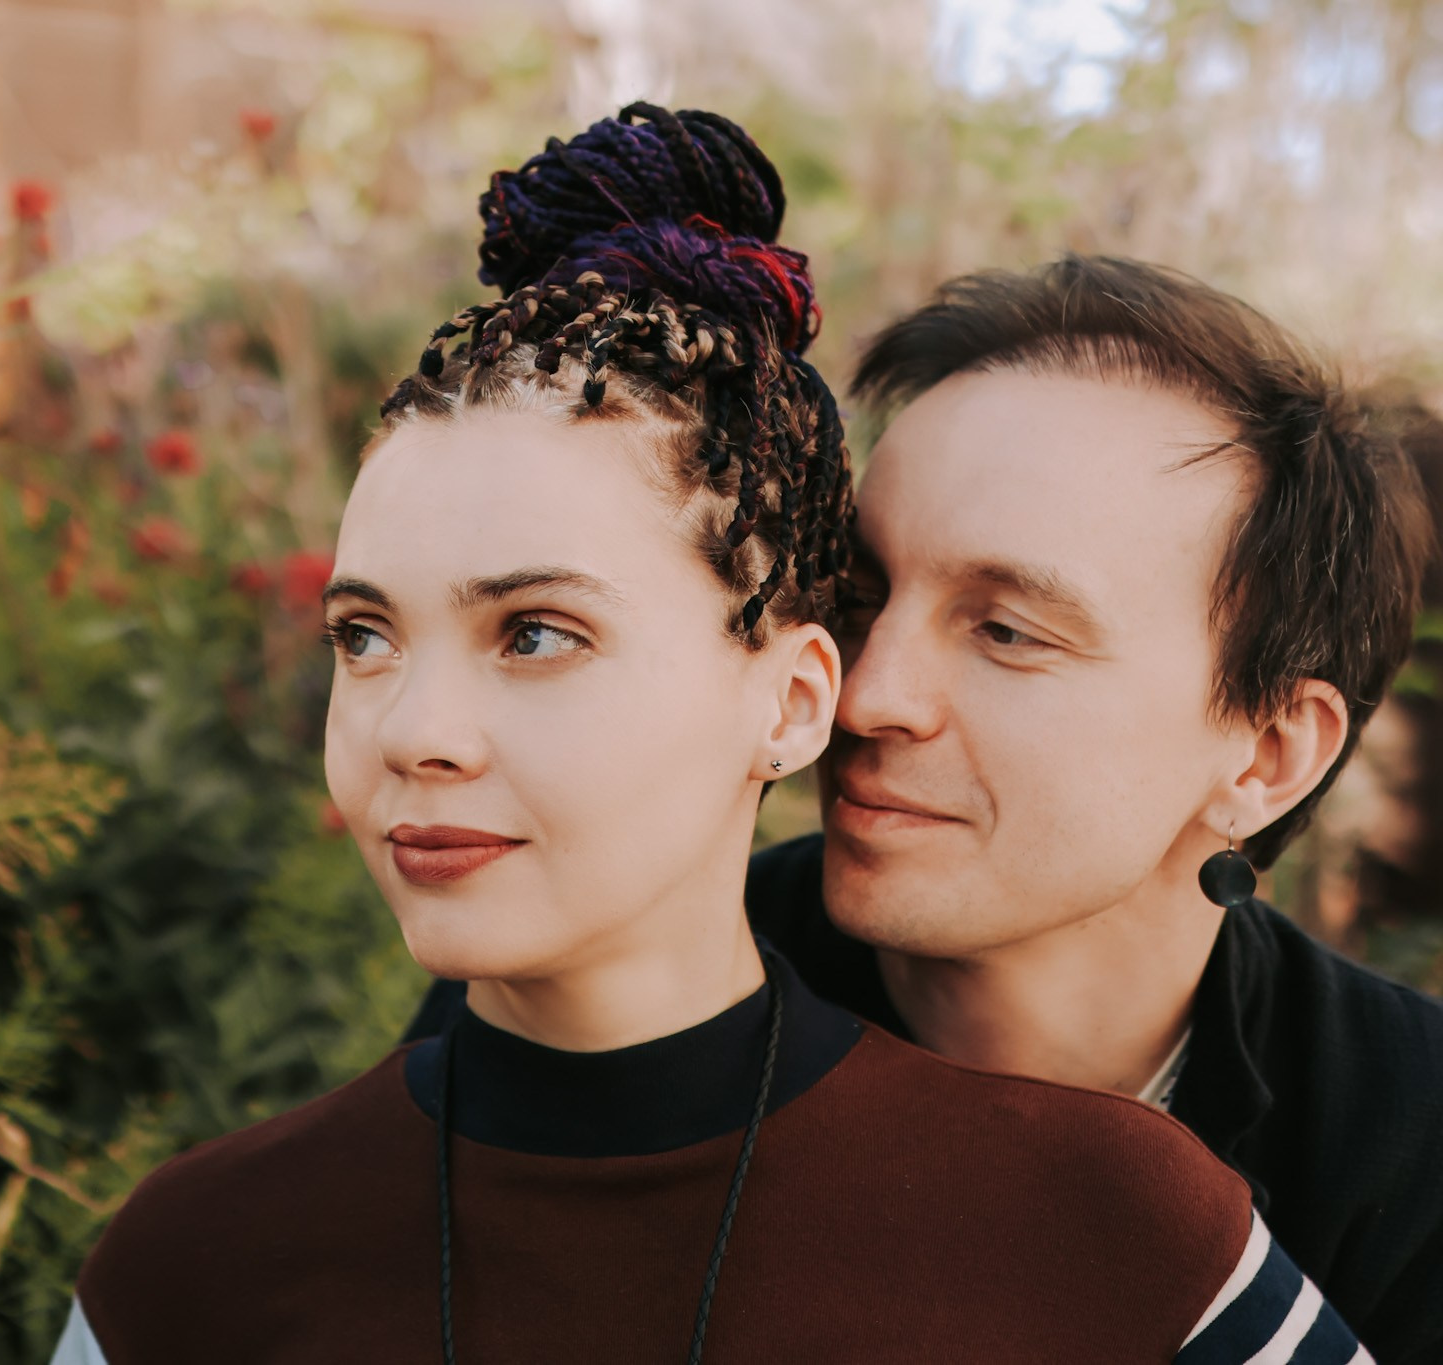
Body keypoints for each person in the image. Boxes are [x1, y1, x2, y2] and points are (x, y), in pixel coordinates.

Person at [55, 107, 1371, 1364]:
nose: (415, 732)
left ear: (784, 698)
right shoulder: (196, 1260)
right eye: (364, 636)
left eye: (538, 633)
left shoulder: (1138, 1224)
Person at [406, 255, 1443, 1362]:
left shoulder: (1407, 1148)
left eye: (1006, 630)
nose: (867, 693)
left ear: (1268, 755)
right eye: (854, 599)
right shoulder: (604, 986)